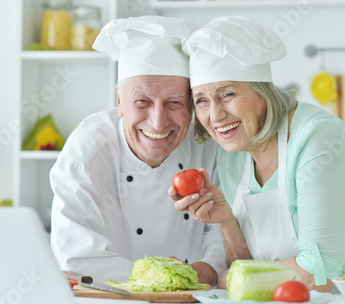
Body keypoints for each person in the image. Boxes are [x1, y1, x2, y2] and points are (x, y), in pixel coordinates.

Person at [169, 16, 345, 291]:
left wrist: (226, 280)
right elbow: (247, 269)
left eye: (228, 94)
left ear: (262, 92)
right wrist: (225, 221)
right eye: (201, 100)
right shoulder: (232, 155)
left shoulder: (318, 140)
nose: (215, 115)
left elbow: (322, 272)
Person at [49, 16, 227, 285]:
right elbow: (77, 257)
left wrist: (206, 268)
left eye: (175, 102)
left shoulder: (207, 144)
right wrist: (168, 279)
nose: (158, 121)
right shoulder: (88, 151)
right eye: (142, 101)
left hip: (194, 300)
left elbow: (222, 230)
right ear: (119, 102)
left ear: (191, 107)